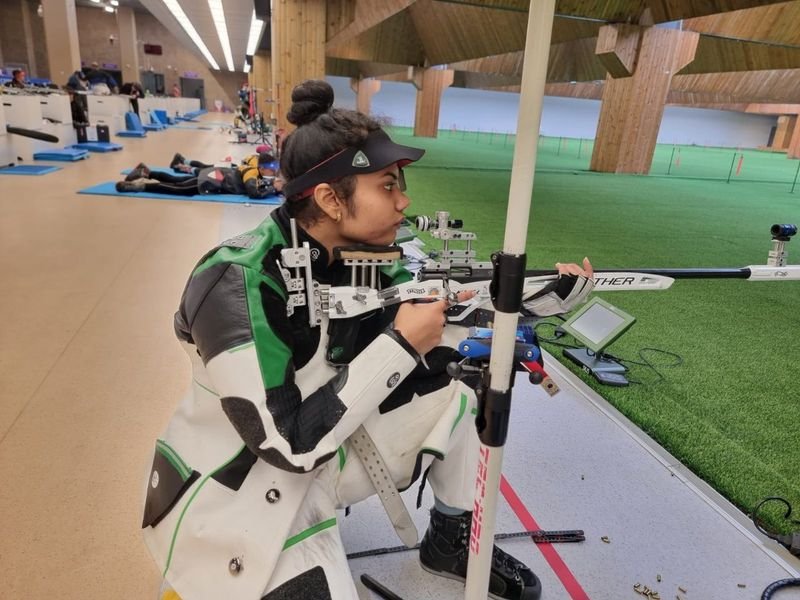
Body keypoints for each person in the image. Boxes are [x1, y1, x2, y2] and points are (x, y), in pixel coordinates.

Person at [140, 79, 593, 600]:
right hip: (239, 485)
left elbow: (456, 307)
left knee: (471, 366)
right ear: (331, 199)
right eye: (387, 186)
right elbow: (284, 443)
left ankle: (450, 538)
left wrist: (543, 298)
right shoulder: (237, 281)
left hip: (326, 451)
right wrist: (399, 345)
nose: (405, 201)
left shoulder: (364, 256)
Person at [116, 152, 279, 199]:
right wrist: (273, 187)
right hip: (213, 181)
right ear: (263, 169)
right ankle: (138, 186)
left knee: (177, 179)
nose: (273, 172)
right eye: (271, 169)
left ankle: (146, 172)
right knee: (178, 189)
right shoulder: (251, 172)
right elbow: (254, 192)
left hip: (217, 174)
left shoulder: (254, 160)